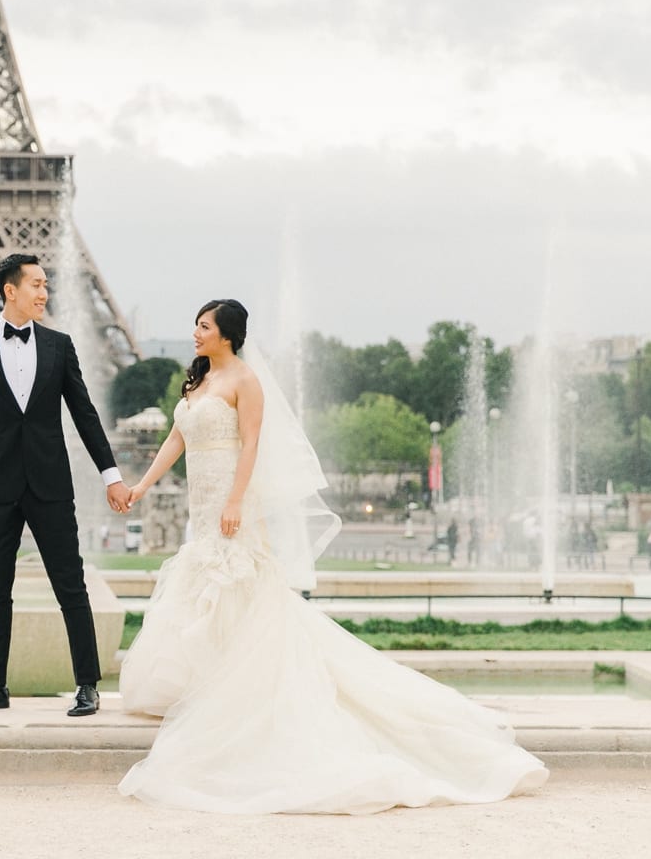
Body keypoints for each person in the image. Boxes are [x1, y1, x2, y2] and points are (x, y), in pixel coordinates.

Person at [119, 299, 547, 814]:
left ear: (227, 335)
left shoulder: (245, 381)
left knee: (239, 586)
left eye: (204, 326)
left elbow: (252, 444)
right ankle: (207, 683)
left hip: (232, 501)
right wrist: (142, 486)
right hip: (203, 501)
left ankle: (237, 689)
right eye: (196, 324)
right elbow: (176, 438)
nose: (195, 332)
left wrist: (236, 499)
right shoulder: (197, 383)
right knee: (207, 583)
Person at [0, 253, 131, 717]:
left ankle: (87, 684)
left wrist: (112, 475)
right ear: (11, 290)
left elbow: (85, 414)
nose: (45, 293)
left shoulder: (60, 345)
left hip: (50, 483)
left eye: (46, 285)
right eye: (37, 284)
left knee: (71, 585)